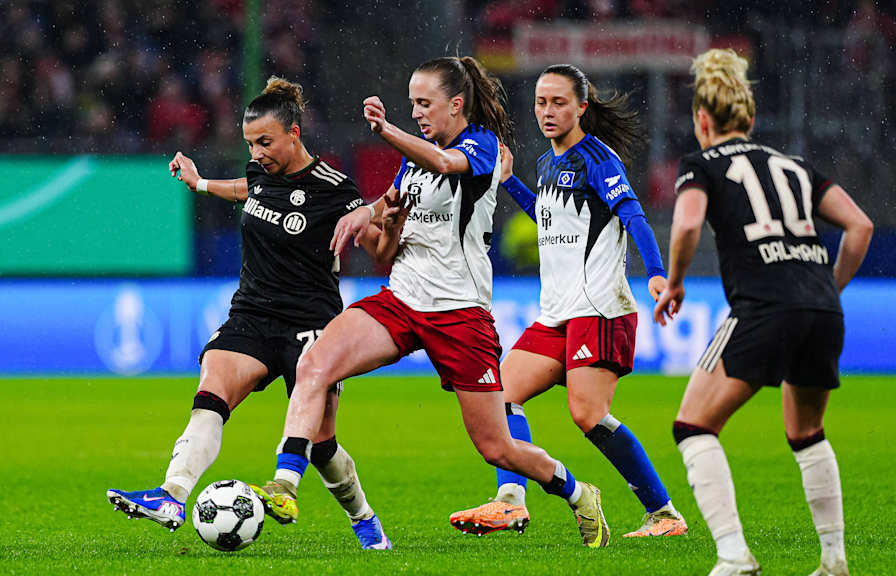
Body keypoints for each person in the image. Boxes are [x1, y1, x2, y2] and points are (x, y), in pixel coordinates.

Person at [249, 56, 611, 549]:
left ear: (455, 105)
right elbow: (391, 218)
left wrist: (386, 130)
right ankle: (285, 484)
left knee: (496, 447)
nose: (417, 112)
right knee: (315, 364)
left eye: (425, 104)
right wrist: (369, 217)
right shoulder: (411, 160)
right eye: (412, 104)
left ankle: (576, 491)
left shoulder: (481, 146)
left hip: (461, 316)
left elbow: (442, 162)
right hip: (401, 301)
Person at [106, 77, 393, 550]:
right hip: (252, 314)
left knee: (321, 447)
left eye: (265, 142)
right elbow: (249, 189)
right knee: (210, 395)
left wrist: (388, 222)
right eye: (250, 144)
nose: (257, 153)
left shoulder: (333, 188)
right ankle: (172, 494)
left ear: (294, 135)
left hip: (312, 324)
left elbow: (377, 242)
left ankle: (364, 519)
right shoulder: (260, 173)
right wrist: (200, 184)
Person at [654, 49, 872, 576]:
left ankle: (733, 556)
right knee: (807, 434)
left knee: (693, 427)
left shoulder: (701, 165)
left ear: (702, 120)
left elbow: (685, 226)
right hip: (821, 307)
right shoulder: (796, 167)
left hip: (762, 305)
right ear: (750, 119)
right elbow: (860, 226)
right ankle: (834, 559)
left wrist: (676, 281)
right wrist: (827, 286)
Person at [449, 64, 688, 539]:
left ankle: (664, 515)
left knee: (588, 415)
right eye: (541, 102)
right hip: (557, 313)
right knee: (501, 396)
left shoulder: (599, 159)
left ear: (581, 107)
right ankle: (510, 502)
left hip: (599, 308)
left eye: (559, 102)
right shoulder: (547, 163)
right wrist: (509, 181)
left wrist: (658, 274)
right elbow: (552, 219)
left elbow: (635, 217)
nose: (548, 111)